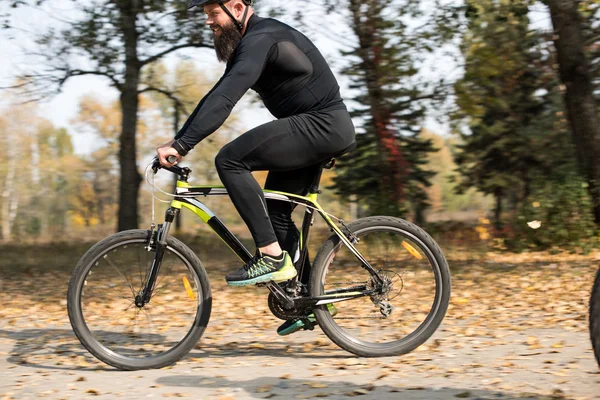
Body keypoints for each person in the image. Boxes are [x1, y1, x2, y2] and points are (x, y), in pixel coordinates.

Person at [156, 0, 356, 334]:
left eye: (213, 13)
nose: (208, 22)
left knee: (230, 160)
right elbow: (216, 96)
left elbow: (225, 100)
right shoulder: (251, 43)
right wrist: (178, 139)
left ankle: (272, 258)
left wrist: (181, 146)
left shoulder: (262, 37)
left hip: (322, 125)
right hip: (319, 128)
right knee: (276, 212)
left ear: (236, 6)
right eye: (206, 15)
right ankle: (307, 300)